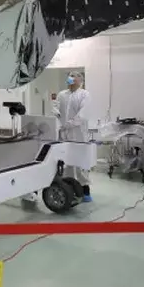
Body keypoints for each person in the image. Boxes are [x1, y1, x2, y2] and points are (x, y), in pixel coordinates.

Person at [54, 71, 93, 202]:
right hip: (64, 134)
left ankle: (85, 190)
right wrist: (57, 116)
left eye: (74, 76)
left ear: (80, 80)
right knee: (66, 163)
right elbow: (55, 108)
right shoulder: (62, 94)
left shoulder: (84, 95)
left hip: (79, 134)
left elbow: (83, 115)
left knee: (80, 163)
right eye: (70, 76)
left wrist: (69, 124)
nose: (71, 78)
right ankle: (70, 189)